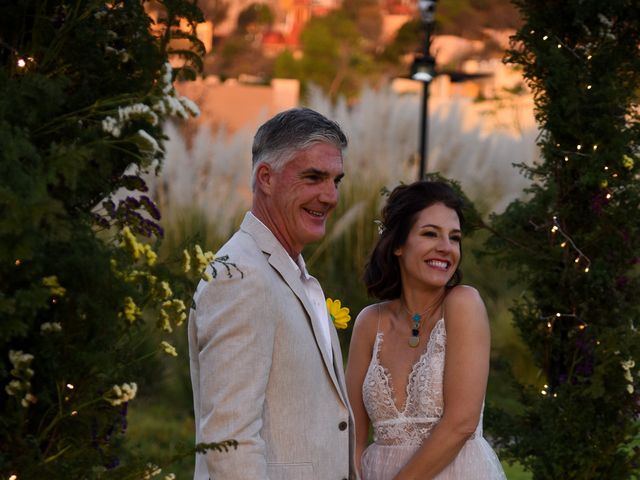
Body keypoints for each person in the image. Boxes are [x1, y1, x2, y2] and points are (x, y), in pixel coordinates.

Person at [188, 107, 356, 479]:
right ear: (266, 177)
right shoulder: (242, 276)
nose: (330, 196)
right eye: (313, 177)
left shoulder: (288, 271)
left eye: (336, 181)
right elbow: (229, 443)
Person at [345, 181, 506, 480]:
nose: (446, 248)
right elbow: (352, 431)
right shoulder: (370, 322)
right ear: (397, 244)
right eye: (430, 233)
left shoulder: (463, 304)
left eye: (454, 238)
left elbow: (461, 423)